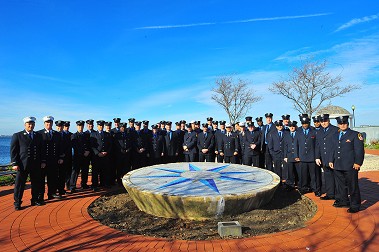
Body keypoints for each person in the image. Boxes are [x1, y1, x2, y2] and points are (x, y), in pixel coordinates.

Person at [329, 116, 364, 213]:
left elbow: (359, 150)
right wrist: (331, 160)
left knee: (352, 186)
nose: (342, 125)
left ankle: (355, 205)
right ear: (338, 124)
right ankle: (344, 201)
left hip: (350, 165)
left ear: (347, 124)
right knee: (340, 185)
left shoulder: (355, 135)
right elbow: (333, 149)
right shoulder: (335, 135)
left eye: (344, 123)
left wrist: (358, 162)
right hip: (338, 165)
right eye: (340, 123)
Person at [11, 117, 43, 210]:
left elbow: (41, 150)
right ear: (25, 125)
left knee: (36, 183)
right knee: (19, 185)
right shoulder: (18, 135)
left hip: (35, 164)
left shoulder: (38, 136)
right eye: (29, 124)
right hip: (22, 165)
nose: (31, 125)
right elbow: (14, 151)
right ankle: (17, 203)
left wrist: (42, 161)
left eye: (32, 124)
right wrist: (14, 163)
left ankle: (34, 200)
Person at [39, 116, 64, 201]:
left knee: (52, 178)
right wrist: (41, 160)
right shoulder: (39, 134)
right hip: (43, 161)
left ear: (52, 124)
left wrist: (60, 157)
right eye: (47, 123)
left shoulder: (56, 134)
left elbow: (60, 146)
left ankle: (51, 194)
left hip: (53, 160)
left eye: (50, 123)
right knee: (41, 180)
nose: (48, 124)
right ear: (44, 124)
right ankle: (40, 196)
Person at [295, 116, 321, 196]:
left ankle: (316, 189)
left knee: (314, 176)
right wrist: (296, 155)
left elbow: (317, 145)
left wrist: (317, 157)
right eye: (303, 123)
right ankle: (304, 188)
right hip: (302, 157)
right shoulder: (298, 132)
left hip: (312, 157)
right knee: (303, 175)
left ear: (308, 123)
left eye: (306, 123)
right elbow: (296, 144)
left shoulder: (313, 131)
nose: (305, 125)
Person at [315, 114, 338, 200]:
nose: (323, 123)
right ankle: (330, 194)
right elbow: (317, 145)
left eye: (325, 121)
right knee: (327, 176)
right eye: (322, 121)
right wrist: (317, 157)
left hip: (333, 157)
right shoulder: (319, 131)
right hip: (324, 158)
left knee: (336, 177)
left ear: (328, 120)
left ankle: (338, 194)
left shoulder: (335, 130)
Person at [90, 120, 112, 191]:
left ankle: (104, 183)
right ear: (97, 126)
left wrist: (106, 152)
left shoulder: (107, 134)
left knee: (105, 170)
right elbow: (92, 145)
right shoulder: (93, 134)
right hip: (97, 156)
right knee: (95, 171)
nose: (101, 127)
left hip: (105, 155)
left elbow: (110, 145)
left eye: (102, 126)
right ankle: (94, 185)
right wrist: (97, 153)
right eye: (99, 125)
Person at [69, 120, 90, 193]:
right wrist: (83, 152)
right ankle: (72, 186)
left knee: (85, 171)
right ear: (77, 126)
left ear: (83, 127)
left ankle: (84, 184)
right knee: (75, 172)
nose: (80, 127)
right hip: (78, 156)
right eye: (79, 126)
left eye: (81, 126)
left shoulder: (86, 135)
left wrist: (88, 151)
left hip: (85, 156)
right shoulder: (74, 135)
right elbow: (75, 146)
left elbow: (88, 144)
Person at [283, 121, 300, 190]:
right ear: (289, 127)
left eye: (293, 126)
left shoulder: (299, 134)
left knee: (298, 171)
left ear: (295, 126)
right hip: (289, 156)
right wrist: (285, 156)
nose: (292, 128)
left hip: (297, 156)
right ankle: (290, 185)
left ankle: (298, 184)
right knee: (290, 171)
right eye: (290, 126)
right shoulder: (286, 135)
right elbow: (285, 146)